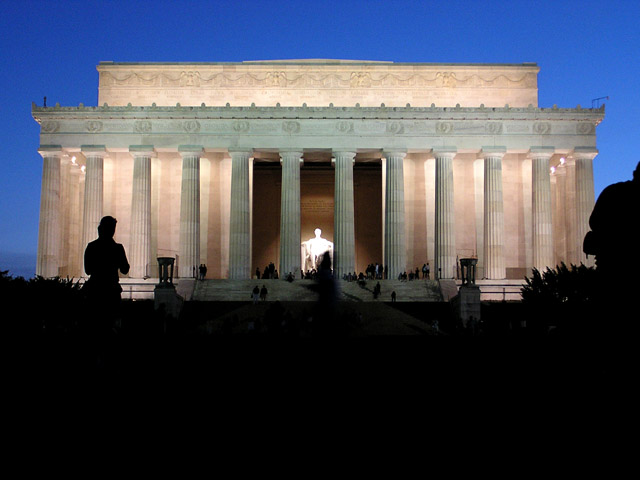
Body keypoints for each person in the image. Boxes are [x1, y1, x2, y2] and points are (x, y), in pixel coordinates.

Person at [82, 216, 130, 337]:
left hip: (95, 290)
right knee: (111, 327)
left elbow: (87, 270)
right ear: (112, 230)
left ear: (100, 229)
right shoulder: (117, 248)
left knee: (94, 328)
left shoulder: (91, 247)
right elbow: (125, 269)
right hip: (111, 291)